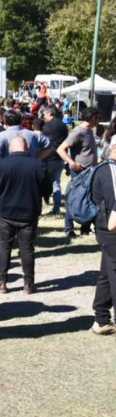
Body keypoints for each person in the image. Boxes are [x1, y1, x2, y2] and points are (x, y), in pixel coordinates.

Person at [0, 137, 53, 294]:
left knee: (4, 247)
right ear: (28, 147)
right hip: (29, 213)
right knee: (27, 248)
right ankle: (28, 284)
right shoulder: (39, 165)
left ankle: (1, 283)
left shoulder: (0, 165)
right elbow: (47, 190)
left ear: (10, 149)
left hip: (5, 212)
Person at [59, 107, 100, 240]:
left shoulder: (90, 131)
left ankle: (85, 229)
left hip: (91, 172)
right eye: (98, 118)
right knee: (74, 199)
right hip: (80, 173)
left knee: (89, 199)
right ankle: (69, 229)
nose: (98, 121)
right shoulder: (78, 132)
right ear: (93, 118)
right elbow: (61, 149)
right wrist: (72, 163)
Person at [90, 142, 116, 335]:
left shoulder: (105, 168)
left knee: (107, 273)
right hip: (110, 229)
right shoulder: (109, 170)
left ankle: (101, 319)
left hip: (106, 227)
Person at [42, 107, 69, 216]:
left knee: (43, 182)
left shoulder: (46, 126)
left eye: (45, 114)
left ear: (49, 113)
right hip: (60, 157)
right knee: (56, 183)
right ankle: (56, 208)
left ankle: (43, 202)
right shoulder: (63, 125)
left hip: (47, 157)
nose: (44, 116)